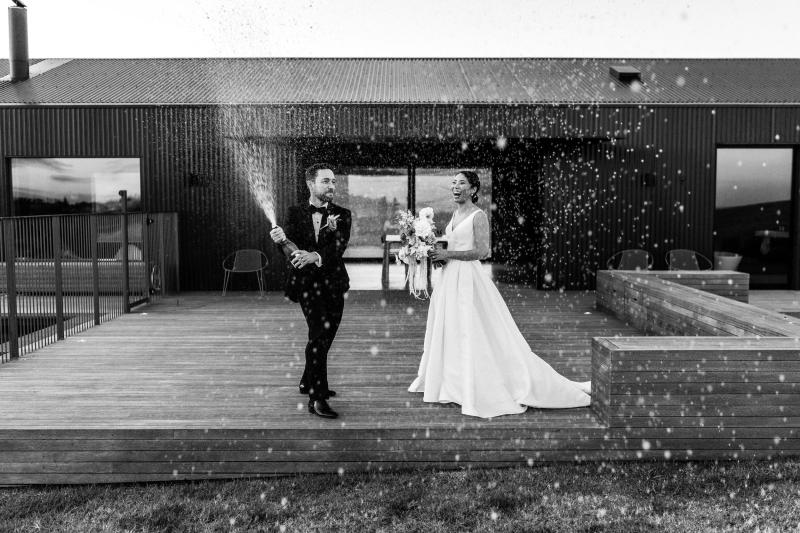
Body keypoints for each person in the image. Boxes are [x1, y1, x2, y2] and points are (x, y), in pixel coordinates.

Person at [408, 171, 591, 418]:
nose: (455, 186)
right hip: (450, 279)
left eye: (461, 183)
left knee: (473, 329)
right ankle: (455, 383)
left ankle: (488, 383)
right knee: (452, 328)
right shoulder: (454, 214)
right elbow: (454, 246)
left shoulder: (478, 215)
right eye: (453, 183)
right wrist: (436, 254)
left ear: (473, 189)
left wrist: (448, 255)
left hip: (469, 280)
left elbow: (483, 251)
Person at [270, 163, 351, 419]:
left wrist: (314, 255)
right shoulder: (294, 213)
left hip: (334, 284)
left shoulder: (343, 214)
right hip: (306, 285)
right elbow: (288, 248)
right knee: (318, 335)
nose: (332, 186)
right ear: (310, 184)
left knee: (326, 335)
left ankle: (307, 380)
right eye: (326, 181)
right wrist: (280, 241)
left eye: (334, 181)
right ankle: (317, 396)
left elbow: (338, 247)